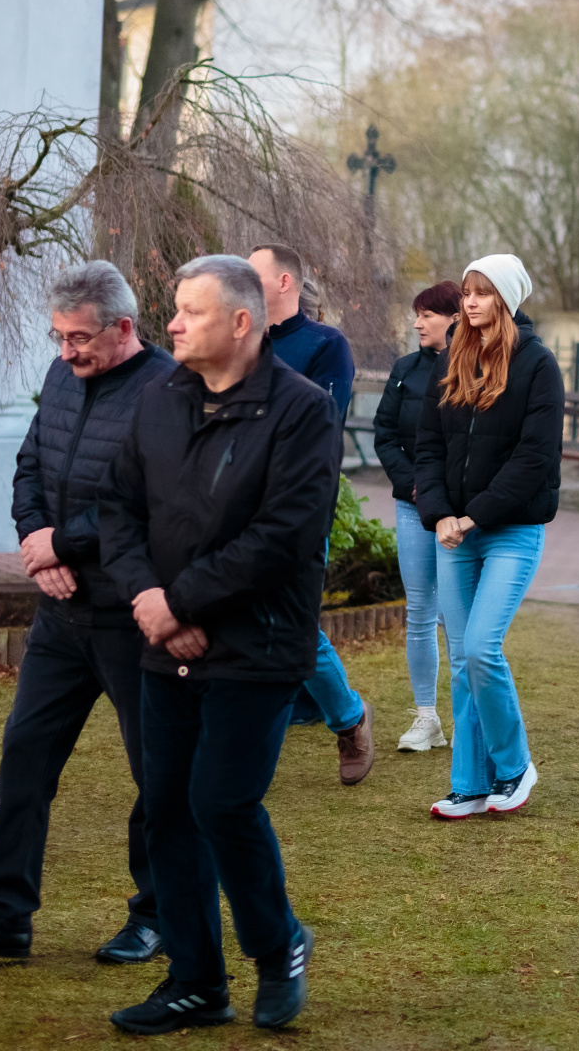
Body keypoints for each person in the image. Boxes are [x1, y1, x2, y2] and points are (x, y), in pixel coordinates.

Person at [98, 255, 335, 1034]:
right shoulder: (160, 398)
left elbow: (283, 536)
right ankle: (196, 983)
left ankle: (276, 945)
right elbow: (117, 509)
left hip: (257, 646)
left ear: (240, 322)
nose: (171, 324)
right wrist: (149, 598)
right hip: (165, 639)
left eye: (190, 311)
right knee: (167, 810)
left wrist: (182, 601)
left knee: (221, 804)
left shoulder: (301, 411)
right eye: (174, 309)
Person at [0, 262, 175, 965]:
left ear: (124, 328)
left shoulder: (165, 391)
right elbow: (30, 464)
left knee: (156, 774)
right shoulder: (63, 375)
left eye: (80, 338)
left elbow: (149, 503)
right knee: (25, 758)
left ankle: (157, 915)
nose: (66, 352)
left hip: (129, 616)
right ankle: (6, 914)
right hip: (60, 615)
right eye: (59, 337)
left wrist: (63, 543)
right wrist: (38, 543)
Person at [415, 255, 561, 819]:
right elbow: (429, 446)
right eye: (467, 292)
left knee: (480, 648)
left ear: (507, 299)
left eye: (482, 293)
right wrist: (439, 515)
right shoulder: (451, 358)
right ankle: (470, 785)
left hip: (511, 532)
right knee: (461, 660)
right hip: (453, 532)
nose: (470, 302)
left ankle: (515, 766)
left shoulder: (538, 364)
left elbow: (534, 456)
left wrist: (472, 516)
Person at [246, 243, 374, 786]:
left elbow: (319, 425)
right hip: (232, 506)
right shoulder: (240, 340)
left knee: (293, 625)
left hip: (297, 507)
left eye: (252, 273)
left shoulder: (326, 346)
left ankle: (349, 718)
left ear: (284, 283)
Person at [371, 280, 462, 752]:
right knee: (421, 611)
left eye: (427, 314)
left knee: (458, 615)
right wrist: (416, 486)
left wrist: (446, 495)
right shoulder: (405, 369)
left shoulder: (474, 370)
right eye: (417, 314)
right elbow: (385, 432)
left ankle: (469, 719)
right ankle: (427, 718)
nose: (417, 323)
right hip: (412, 506)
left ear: (454, 318)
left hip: (459, 514)